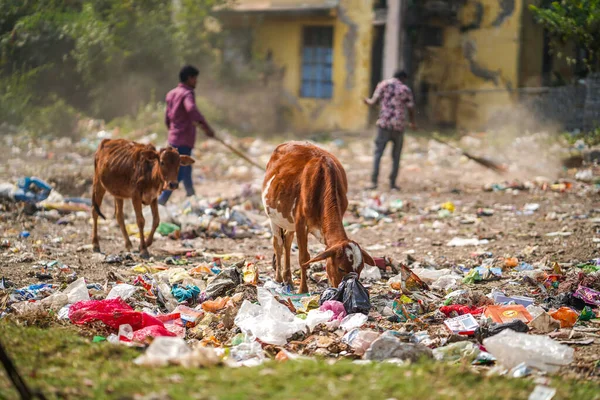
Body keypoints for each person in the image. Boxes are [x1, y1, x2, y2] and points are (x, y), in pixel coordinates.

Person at [158, 65, 216, 205]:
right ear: (189, 78)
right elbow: (191, 109)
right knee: (179, 174)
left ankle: (192, 198)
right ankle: (161, 201)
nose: (196, 82)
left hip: (173, 139)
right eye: (195, 78)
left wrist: (173, 131)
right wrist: (206, 128)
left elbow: (167, 118)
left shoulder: (171, 94)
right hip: (184, 140)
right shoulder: (187, 94)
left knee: (186, 170)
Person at [364, 70, 416, 191]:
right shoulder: (405, 89)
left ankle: (374, 182)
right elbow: (411, 107)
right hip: (398, 126)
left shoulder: (383, 85)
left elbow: (373, 102)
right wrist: (413, 122)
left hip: (384, 125)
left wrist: (367, 101)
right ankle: (392, 183)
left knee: (378, 154)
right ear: (404, 78)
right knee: (396, 156)